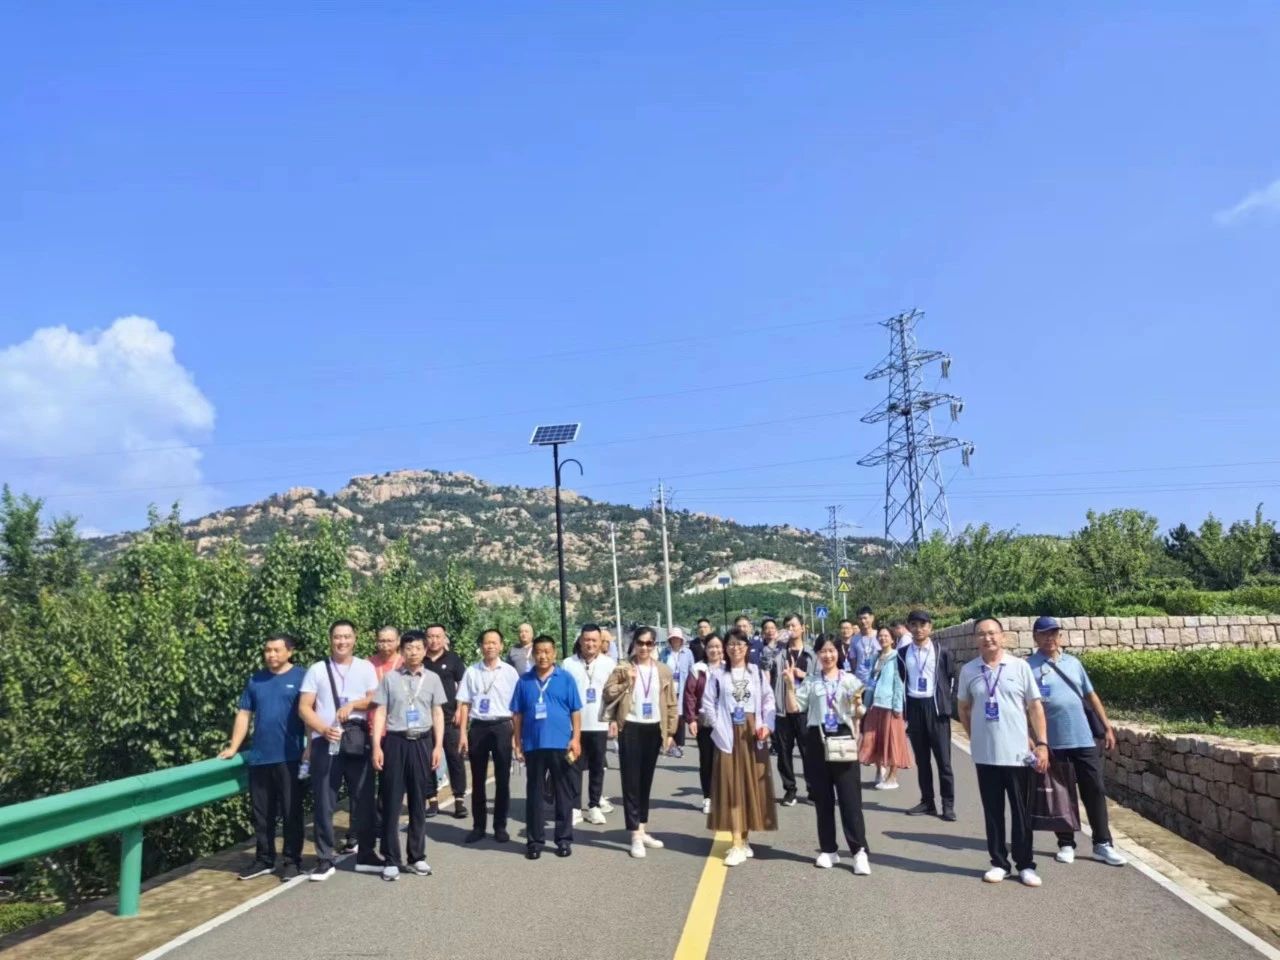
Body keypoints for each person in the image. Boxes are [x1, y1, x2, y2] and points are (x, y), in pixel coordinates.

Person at [1026, 616, 1127, 867]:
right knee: (1061, 795)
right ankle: (1066, 843)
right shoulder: (1027, 666)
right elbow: (1023, 705)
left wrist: (1107, 727)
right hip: (1052, 743)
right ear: (1035, 637)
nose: (1050, 638)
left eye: (1054, 633)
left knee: (1095, 790)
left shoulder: (1073, 663)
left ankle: (1102, 844)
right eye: (1044, 634)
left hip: (1083, 739)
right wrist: (1032, 739)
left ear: (1060, 636)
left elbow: (1091, 696)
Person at [957, 617, 1050, 886]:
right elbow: (963, 708)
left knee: (1021, 812)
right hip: (985, 756)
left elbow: (1034, 707)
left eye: (992, 633)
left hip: (1018, 755)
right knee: (993, 812)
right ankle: (999, 862)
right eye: (981, 634)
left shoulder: (1020, 667)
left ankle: (1025, 864)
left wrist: (1042, 743)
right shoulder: (969, 671)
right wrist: (975, 737)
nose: (988, 638)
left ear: (1003, 636)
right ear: (975, 639)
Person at [219, 632, 307, 882]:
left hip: (290, 757)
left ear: (290, 651)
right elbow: (244, 714)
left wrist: (310, 747)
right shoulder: (256, 680)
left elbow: (310, 713)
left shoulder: (302, 677)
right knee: (261, 814)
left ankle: (292, 861)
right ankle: (264, 859)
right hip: (260, 757)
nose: (271, 655)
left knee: (291, 812)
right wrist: (234, 747)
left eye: (276, 650)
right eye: (267, 650)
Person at [298, 620, 381, 881]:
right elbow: (304, 707)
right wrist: (322, 729)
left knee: (364, 798)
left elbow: (374, 699)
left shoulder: (365, 667)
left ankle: (366, 853)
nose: (341, 641)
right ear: (330, 639)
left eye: (346, 636)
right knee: (324, 801)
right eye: (337, 637)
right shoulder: (317, 669)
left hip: (357, 739)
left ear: (355, 638)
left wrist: (353, 705)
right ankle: (325, 858)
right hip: (326, 741)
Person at [370, 631, 446, 881]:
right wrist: (377, 745)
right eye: (409, 648)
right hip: (395, 742)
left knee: (418, 801)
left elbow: (437, 713)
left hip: (422, 742)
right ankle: (391, 859)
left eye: (418, 648)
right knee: (391, 801)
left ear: (425, 651)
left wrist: (438, 746)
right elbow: (380, 712)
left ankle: (417, 856)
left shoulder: (433, 679)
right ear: (401, 651)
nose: (413, 652)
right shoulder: (390, 679)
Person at [701, 627, 777, 866]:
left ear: (747, 647)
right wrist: (717, 726)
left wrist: (767, 725)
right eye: (731, 644)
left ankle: (744, 839)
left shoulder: (756, 672)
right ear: (726, 648)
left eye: (740, 644)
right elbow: (707, 703)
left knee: (750, 785)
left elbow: (768, 700)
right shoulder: (717, 675)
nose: (736, 648)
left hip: (752, 732)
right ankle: (735, 843)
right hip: (728, 732)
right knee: (731, 785)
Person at [796, 635, 870, 874]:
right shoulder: (811, 681)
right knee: (823, 799)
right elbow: (796, 707)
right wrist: (788, 683)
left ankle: (859, 851)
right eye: (823, 651)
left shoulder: (850, 680)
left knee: (850, 799)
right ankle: (828, 849)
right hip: (817, 740)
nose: (827, 655)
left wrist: (857, 707)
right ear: (817, 655)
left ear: (838, 653)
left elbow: (859, 711)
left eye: (831, 651)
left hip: (843, 738)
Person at [602, 626, 678, 858]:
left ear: (654, 645)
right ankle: (635, 834)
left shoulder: (663, 670)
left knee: (646, 781)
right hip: (630, 727)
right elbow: (608, 692)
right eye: (640, 643)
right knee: (631, 782)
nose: (644, 647)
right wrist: (627, 681)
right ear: (634, 644)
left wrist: (670, 732)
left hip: (654, 728)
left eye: (649, 643)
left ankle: (642, 828)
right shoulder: (623, 667)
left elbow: (671, 703)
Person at [510, 635, 582, 859]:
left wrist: (576, 739)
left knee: (563, 793)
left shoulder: (566, 678)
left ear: (554, 653)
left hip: (561, 744)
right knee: (534, 794)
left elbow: (575, 710)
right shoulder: (524, 681)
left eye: (547, 652)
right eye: (538, 652)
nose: (542, 656)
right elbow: (517, 715)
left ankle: (563, 840)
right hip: (533, 744)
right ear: (532, 655)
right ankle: (534, 841)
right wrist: (517, 742)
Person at [457, 628, 521, 844]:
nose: (490, 646)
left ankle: (500, 826)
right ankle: (478, 826)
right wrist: (463, 734)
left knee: (503, 780)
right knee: (478, 779)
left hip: (503, 726)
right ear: (481, 646)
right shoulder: (472, 671)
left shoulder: (510, 672)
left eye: (494, 642)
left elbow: (517, 707)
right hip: (478, 727)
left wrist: (516, 736)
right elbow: (464, 704)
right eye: (486, 642)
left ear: (501, 646)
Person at [897, 609, 958, 821]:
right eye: (914, 625)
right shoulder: (902, 653)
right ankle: (927, 802)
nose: (918, 629)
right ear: (909, 627)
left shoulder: (942, 652)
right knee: (922, 760)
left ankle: (948, 805)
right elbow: (902, 678)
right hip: (914, 708)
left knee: (944, 762)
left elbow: (950, 677)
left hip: (936, 709)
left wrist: (944, 703)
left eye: (923, 624)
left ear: (930, 627)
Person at [564, 623, 617, 825]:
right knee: (573, 767)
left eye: (594, 640)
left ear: (600, 642)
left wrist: (613, 720)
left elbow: (614, 695)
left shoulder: (609, 664)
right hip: (574, 726)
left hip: (599, 723)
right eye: (586, 640)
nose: (590, 644)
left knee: (597, 767)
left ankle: (594, 806)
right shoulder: (568, 664)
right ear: (580, 641)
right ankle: (575, 808)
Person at [422, 623, 467, 820]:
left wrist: (459, 709)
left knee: (455, 759)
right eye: (430, 636)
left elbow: (463, 686)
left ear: (444, 638)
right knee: (427, 760)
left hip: (449, 718)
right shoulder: (420, 660)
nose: (434, 640)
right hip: (425, 719)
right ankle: (432, 800)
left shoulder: (453, 659)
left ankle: (459, 800)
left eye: (437, 636)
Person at [859, 626, 912, 789]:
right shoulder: (876, 657)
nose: (883, 638)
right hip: (875, 703)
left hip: (889, 705)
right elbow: (871, 680)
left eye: (886, 636)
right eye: (880, 636)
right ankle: (879, 770)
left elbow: (898, 683)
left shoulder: (896, 657)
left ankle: (892, 776)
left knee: (892, 740)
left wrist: (897, 706)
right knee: (874, 739)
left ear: (893, 639)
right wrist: (866, 701)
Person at [773, 614, 813, 806]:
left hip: (805, 710)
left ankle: (813, 790)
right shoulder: (779, 653)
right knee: (784, 753)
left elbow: (820, 679)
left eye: (794, 625)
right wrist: (774, 643)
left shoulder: (811, 654)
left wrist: (803, 674)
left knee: (809, 752)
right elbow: (765, 664)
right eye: (787, 626)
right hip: (783, 710)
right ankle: (790, 790)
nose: (791, 629)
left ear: (802, 628)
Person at [684, 634, 723, 814]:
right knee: (707, 761)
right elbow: (690, 695)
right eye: (711, 647)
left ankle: (724, 796)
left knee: (725, 761)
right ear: (705, 649)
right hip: (705, 722)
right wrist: (691, 719)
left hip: (726, 723)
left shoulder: (729, 668)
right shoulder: (697, 668)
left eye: (718, 646)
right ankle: (708, 797)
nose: (715, 650)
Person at [660, 626, 695, 757]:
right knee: (668, 716)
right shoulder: (664, 652)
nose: (675, 640)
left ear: (681, 640)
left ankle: (680, 744)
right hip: (668, 689)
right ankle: (668, 744)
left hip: (683, 688)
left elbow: (692, 670)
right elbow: (660, 668)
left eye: (677, 638)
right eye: (673, 638)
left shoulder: (688, 653)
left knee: (680, 717)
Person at [848, 607, 880, 685]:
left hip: (877, 679)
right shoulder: (854, 639)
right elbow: (853, 661)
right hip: (860, 681)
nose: (863, 621)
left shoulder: (880, 636)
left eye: (865, 618)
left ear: (872, 618)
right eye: (860, 619)